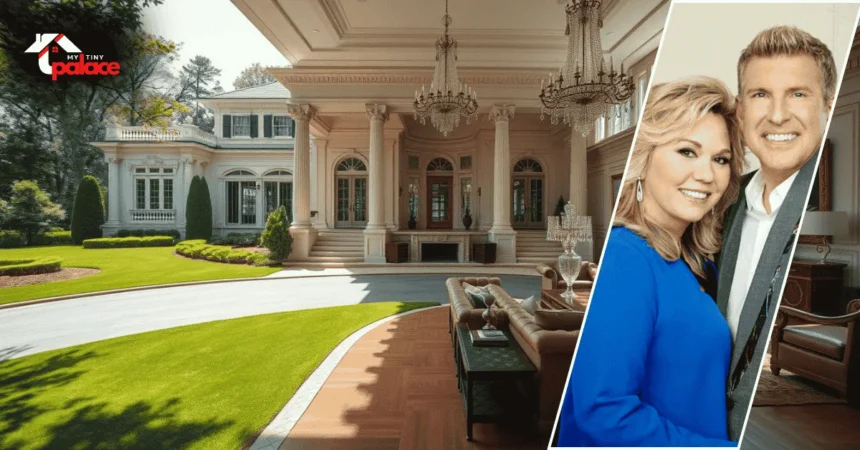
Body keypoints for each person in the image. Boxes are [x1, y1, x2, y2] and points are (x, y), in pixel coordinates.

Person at [556, 77, 745, 447]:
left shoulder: (697, 263)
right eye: (687, 151)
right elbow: (603, 410)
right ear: (642, 160)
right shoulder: (626, 258)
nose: (706, 175)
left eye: (720, 159)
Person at [718, 26, 835, 440]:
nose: (778, 115)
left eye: (798, 93)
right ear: (741, 110)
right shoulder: (721, 204)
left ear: (827, 105)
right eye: (761, 94)